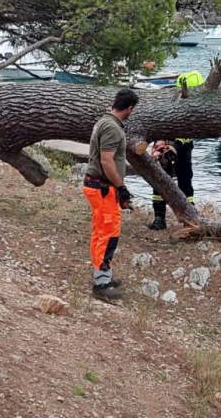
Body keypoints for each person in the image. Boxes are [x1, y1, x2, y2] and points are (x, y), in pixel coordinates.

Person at [83, 88, 139, 302]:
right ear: (129, 108)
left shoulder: (103, 122)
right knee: (108, 234)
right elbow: (107, 160)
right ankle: (102, 283)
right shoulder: (112, 128)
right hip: (103, 187)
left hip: (100, 187)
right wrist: (121, 187)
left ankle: (101, 273)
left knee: (100, 232)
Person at [149, 71, 201, 230]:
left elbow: (191, 133)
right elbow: (159, 124)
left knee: (185, 182)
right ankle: (159, 218)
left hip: (183, 148)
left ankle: (190, 218)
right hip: (166, 144)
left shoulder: (199, 108)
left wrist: (176, 146)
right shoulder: (170, 103)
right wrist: (159, 143)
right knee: (159, 180)